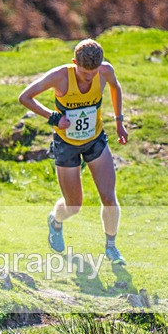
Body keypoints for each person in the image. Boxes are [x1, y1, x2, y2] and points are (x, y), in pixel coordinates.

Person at [18, 38, 129, 264]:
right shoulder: (60, 76)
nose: (89, 77)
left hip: (95, 140)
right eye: (85, 73)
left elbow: (115, 87)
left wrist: (119, 122)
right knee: (74, 205)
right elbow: (25, 97)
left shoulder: (105, 71)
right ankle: (56, 221)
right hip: (66, 145)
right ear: (74, 63)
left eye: (93, 73)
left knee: (109, 197)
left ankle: (111, 247)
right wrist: (53, 117)